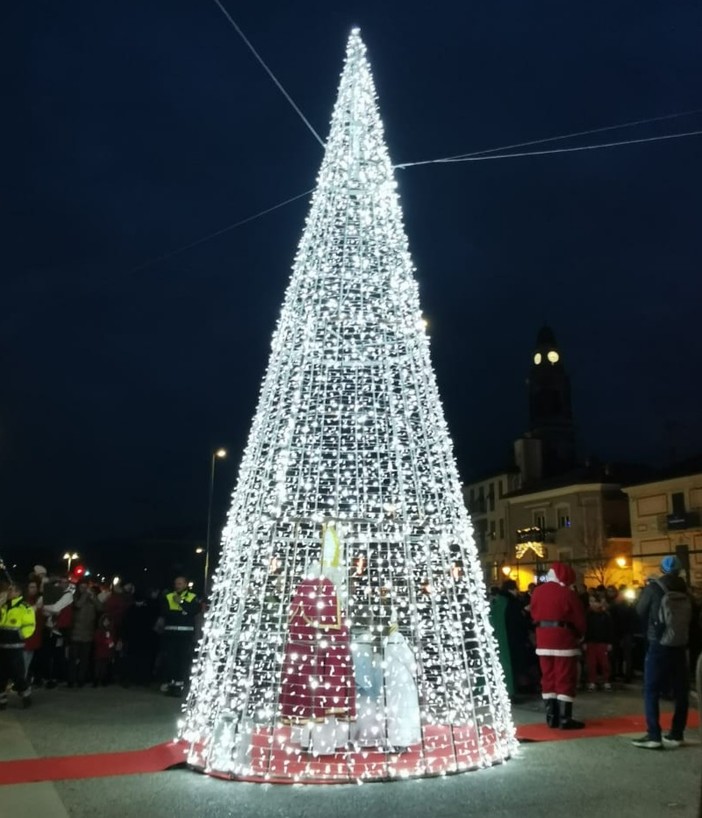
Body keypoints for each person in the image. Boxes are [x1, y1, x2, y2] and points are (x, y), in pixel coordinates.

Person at [631, 556, 692, 750]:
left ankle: (654, 734)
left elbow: (639, 611)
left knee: (651, 690)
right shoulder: (685, 590)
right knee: (681, 690)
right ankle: (676, 733)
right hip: (680, 643)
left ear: (662, 569)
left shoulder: (653, 588)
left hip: (658, 643)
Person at [530, 562, 587, 729]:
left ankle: (551, 717)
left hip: (542, 638)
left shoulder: (538, 591)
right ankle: (564, 718)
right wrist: (580, 635)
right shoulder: (567, 594)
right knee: (564, 677)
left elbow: (533, 613)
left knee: (548, 677)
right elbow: (579, 619)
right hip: (563, 639)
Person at [159, 576, 199, 696]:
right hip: (171, 633)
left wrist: (181, 603)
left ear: (186, 584)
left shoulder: (192, 597)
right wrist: (182, 613)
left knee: (182, 660)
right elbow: (165, 612)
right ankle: (171, 684)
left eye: (180, 583)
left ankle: (179, 686)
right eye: (176, 583)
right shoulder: (168, 596)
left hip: (185, 634)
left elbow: (193, 611)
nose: (177, 586)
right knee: (170, 659)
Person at [0, 582, 36, 709]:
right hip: (2, 646)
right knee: (1, 675)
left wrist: (20, 634)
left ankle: (25, 694)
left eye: (11, 590)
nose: (8, 592)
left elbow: (30, 626)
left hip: (15, 647)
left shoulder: (24, 607)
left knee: (17, 675)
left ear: (18, 592)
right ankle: (2, 701)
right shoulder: (3, 606)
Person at [41, 575, 75, 687]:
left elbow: (54, 608)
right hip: (50, 628)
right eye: (61, 582)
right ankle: (47, 677)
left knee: (57, 655)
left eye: (65, 582)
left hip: (59, 630)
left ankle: (55, 678)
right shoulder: (56, 594)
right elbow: (48, 611)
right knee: (47, 654)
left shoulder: (68, 595)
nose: (62, 584)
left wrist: (46, 607)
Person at [68, 580, 100, 687]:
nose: (84, 589)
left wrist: (93, 597)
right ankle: (71, 680)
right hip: (76, 634)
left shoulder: (91, 599)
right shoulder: (75, 597)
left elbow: (100, 608)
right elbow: (77, 605)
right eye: (82, 587)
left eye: (86, 587)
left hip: (88, 634)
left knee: (84, 660)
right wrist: (85, 595)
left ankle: (81, 680)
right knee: (73, 659)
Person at [584, 595, 614, 691]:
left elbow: (610, 630)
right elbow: (585, 629)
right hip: (591, 642)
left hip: (602, 642)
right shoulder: (587, 615)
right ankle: (592, 681)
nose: (592, 604)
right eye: (591, 601)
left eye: (594, 601)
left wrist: (609, 642)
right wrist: (584, 641)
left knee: (604, 663)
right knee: (591, 664)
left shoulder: (606, 615)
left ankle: (606, 681)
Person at [23, 579, 44, 682]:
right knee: (24, 661)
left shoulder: (37, 599)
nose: (34, 589)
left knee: (28, 659)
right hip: (26, 635)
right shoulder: (24, 600)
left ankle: (23, 680)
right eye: (31, 587)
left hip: (35, 634)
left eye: (35, 587)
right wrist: (36, 607)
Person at [93, 614, 115, 686]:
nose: (106, 622)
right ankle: (96, 680)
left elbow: (112, 641)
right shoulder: (99, 631)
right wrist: (106, 642)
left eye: (107, 621)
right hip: (100, 651)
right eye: (105, 621)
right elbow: (97, 640)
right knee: (98, 666)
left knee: (104, 667)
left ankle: (102, 680)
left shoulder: (110, 631)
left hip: (106, 652)